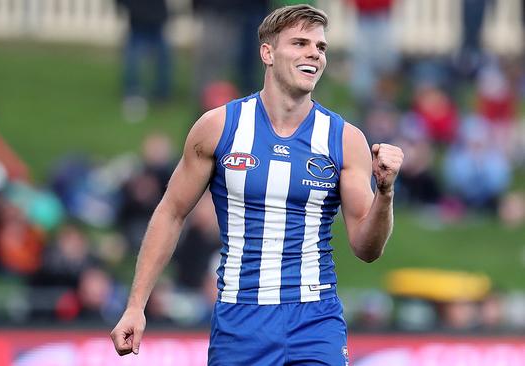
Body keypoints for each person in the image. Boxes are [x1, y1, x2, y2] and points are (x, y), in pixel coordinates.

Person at [111, 4, 403, 365]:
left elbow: (366, 248)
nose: (313, 52)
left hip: (315, 318)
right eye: (299, 43)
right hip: (241, 317)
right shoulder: (219, 127)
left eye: (320, 47)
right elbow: (171, 213)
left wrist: (386, 194)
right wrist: (135, 306)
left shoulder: (344, 139)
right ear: (267, 52)